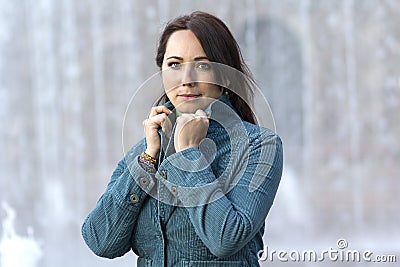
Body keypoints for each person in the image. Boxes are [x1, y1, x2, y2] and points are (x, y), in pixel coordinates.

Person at [82, 11, 283, 266]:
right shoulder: (145, 151)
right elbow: (100, 241)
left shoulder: (260, 146)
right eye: (174, 65)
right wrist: (147, 160)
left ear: (224, 77)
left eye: (202, 65)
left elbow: (226, 238)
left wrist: (189, 153)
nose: (186, 81)